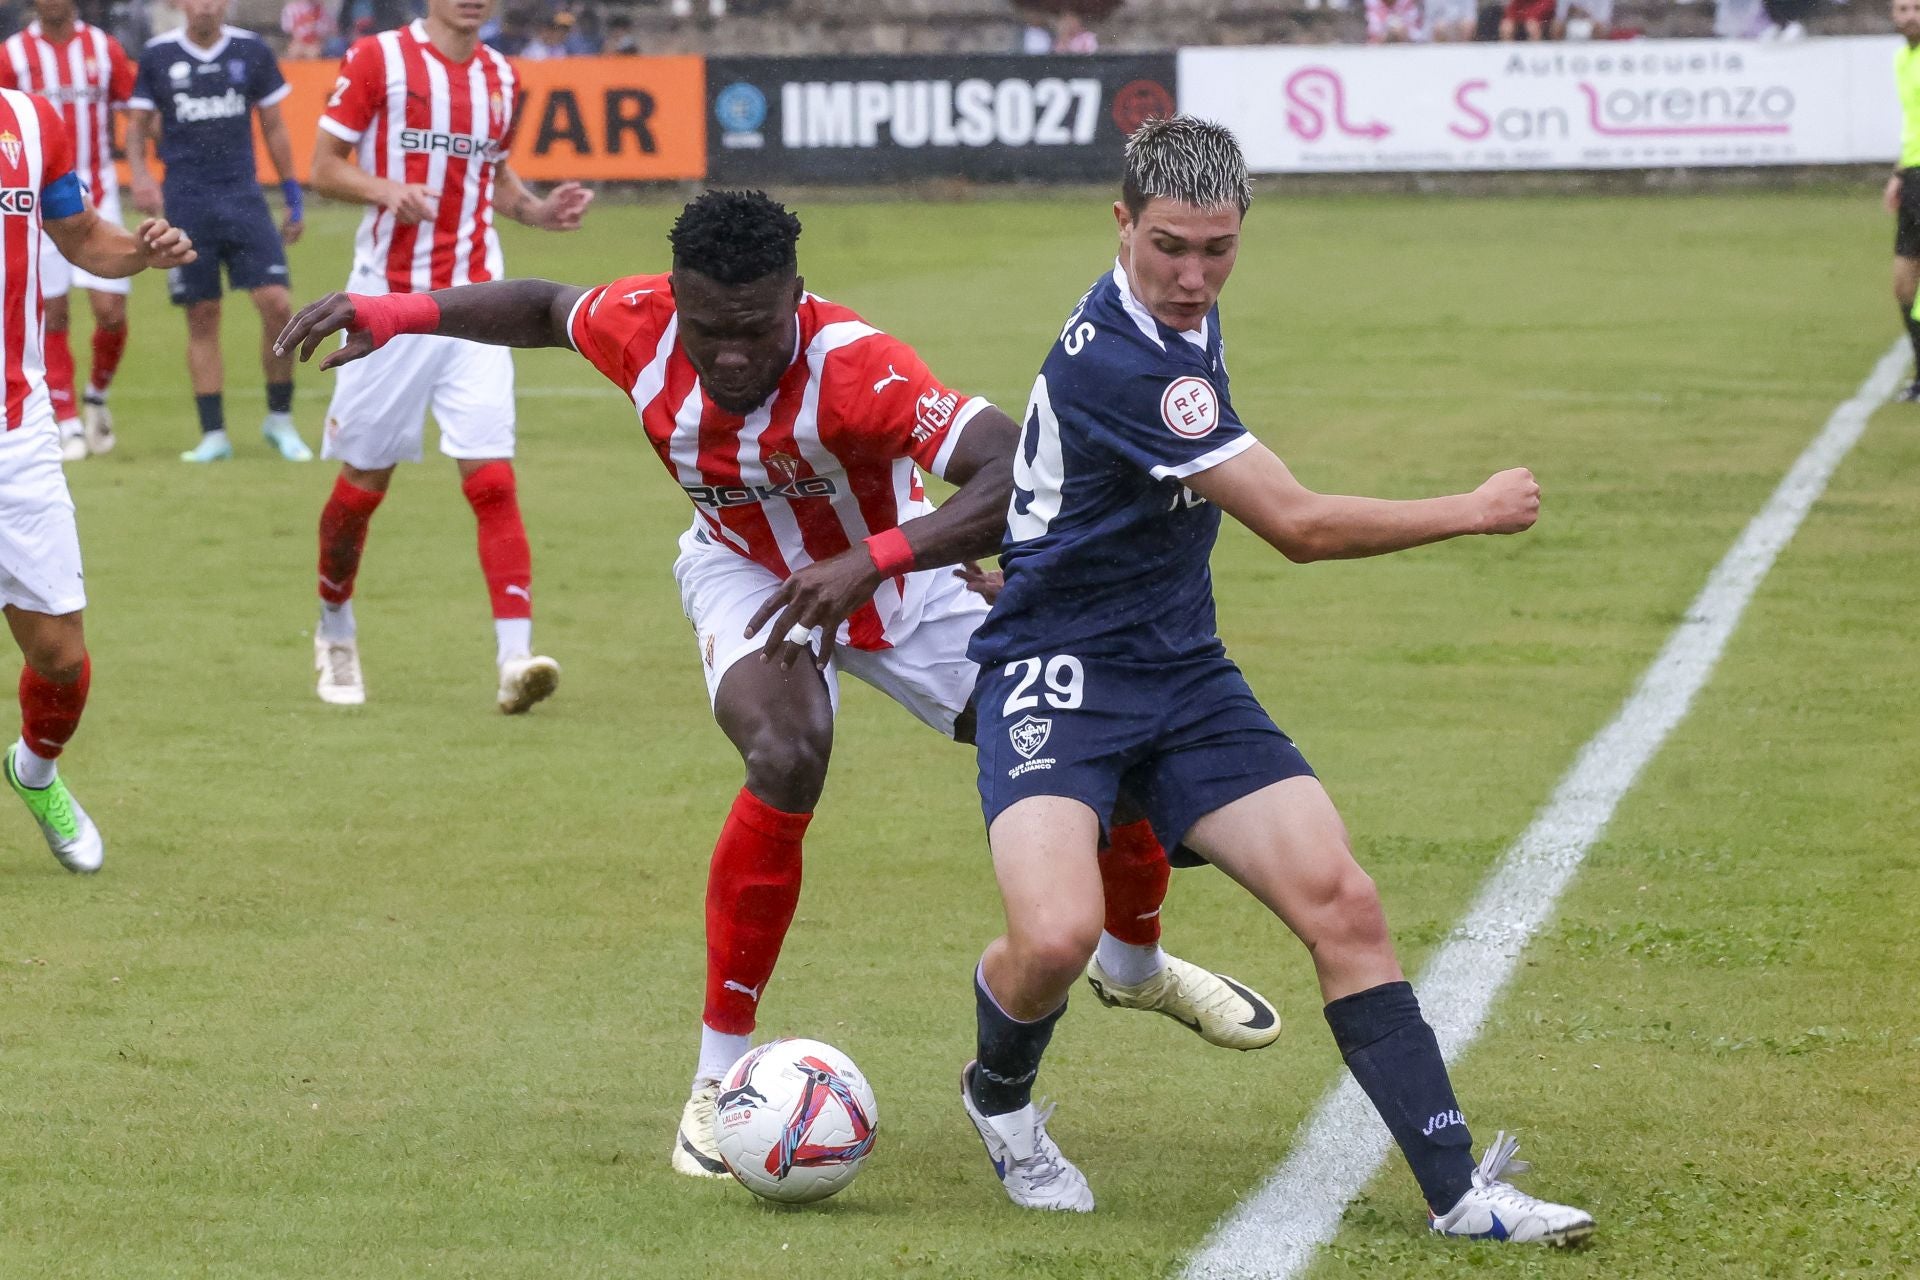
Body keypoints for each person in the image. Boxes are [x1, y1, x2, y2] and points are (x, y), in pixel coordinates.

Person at [273, 188, 1284, 1183]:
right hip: (745, 572)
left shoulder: (860, 366)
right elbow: (541, 305)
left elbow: (1009, 471)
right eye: (709, 326)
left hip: (899, 574)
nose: (730, 354)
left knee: (1094, 749)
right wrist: (389, 313)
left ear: (795, 296)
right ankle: (717, 1079)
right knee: (787, 748)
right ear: (676, 296)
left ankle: (1134, 966)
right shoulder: (639, 325)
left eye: (755, 329)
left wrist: (876, 559)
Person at [956, 117, 1596, 1247]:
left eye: (1219, 248)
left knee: (1341, 902)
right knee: (1057, 937)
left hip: (1182, 672)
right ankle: (998, 1096)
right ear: (1120, 225)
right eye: (1169, 248)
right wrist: (1475, 507)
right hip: (1056, 671)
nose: (1194, 275)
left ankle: (1461, 1193)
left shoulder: (1181, 316)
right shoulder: (1126, 355)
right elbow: (1296, 526)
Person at [302, 0, 591, 712]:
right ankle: (334, 632)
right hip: (385, 307)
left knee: (492, 479)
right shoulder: (380, 59)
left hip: (476, 305)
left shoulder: (501, 76)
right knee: (362, 486)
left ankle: (515, 660)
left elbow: (493, 181)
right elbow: (323, 168)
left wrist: (538, 212)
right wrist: (383, 188)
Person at [0, 82, 193, 873]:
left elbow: (77, 232)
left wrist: (139, 254)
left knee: (61, 657)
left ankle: (35, 771)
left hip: (15, 426)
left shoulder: (31, 118)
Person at [126, 0, 313, 463]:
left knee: (277, 304)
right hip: (187, 202)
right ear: (180, 5)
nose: (206, 6)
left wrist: (292, 195)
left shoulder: (251, 51)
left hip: (244, 199)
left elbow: (274, 127)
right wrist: (143, 177)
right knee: (202, 314)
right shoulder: (158, 55)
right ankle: (214, 435)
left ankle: (280, 420)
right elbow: (137, 127)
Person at [0, 0, 138, 461]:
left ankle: (96, 394)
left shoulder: (104, 47)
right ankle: (68, 422)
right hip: (34, 203)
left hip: (99, 192)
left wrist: (143, 167)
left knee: (111, 311)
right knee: (50, 312)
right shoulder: (13, 54)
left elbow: (134, 108)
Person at [1889, 0, 1920, 400]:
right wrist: (1898, 173)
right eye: (1902, 9)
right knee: (1903, 285)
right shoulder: (1902, 60)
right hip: (1913, 177)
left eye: (1916, 8)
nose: (1910, 16)